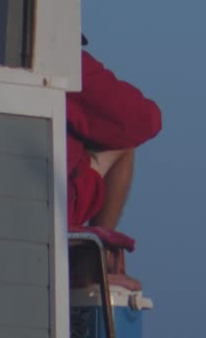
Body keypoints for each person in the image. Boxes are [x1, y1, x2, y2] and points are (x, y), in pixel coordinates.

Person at [66, 39, 162, 289]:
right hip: (54, 205)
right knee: (124, 144)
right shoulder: (66, 63)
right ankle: (93, 259)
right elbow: (144, 119)